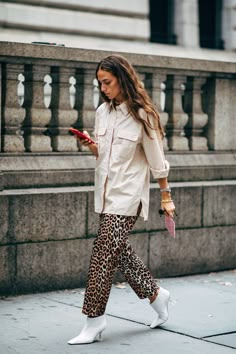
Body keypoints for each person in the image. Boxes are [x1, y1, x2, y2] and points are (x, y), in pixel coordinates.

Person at [68, 54, 176, 345]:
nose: (103, 88)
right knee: (119, 253)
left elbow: (157, 160)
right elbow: (103, 156)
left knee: (104, 253)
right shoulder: (103, 111)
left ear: (122, 79)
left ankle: (94, 320)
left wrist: (166, 197)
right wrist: (92, 146)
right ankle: (156, 295)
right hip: (105, 193)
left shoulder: (143, 114)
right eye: (100, 83)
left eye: (108, 82)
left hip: (128, 195)